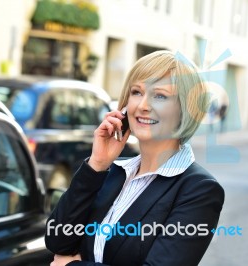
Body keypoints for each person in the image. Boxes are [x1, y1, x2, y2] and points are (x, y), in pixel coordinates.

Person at [45, 50, 225, 266]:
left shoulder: (199, 189)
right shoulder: (113, 173)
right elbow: (57, 241)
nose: (143, 106)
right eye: (137, 92)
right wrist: (97, 164)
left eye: (160, 95)